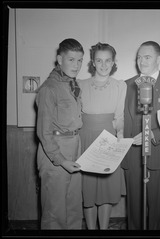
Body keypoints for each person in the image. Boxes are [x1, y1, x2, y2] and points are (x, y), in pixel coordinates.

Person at [121, 41, 160, 230]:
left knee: (157, 210)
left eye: (147, 56)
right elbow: (120, 118)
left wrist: (149, 135)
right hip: (132, 156)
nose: (141, 61)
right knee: (134, 209)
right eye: (139, 57)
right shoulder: (126, 85)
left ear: (159, 59)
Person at [35, 38, 84, 229]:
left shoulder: (72, 84)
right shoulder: (49, 88)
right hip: (55, 150)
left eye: (79, 60)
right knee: (55, 212)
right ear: (59, 59)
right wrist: (61, 160)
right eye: (71, 60)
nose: (77, 65)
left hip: (75, 145)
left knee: (73, 207)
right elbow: (44, 132)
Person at [78, 42, 127, 230]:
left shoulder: (119, 86)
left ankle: (104, 230)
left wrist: (120, 135)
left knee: (106, 190)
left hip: (109, 138)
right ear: (92, 62)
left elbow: (119, 117)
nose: (104, 65)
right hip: (86, 139)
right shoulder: (79, 84)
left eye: (108, 60)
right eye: (99, 60)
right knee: (88, 191)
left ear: (113, 62)